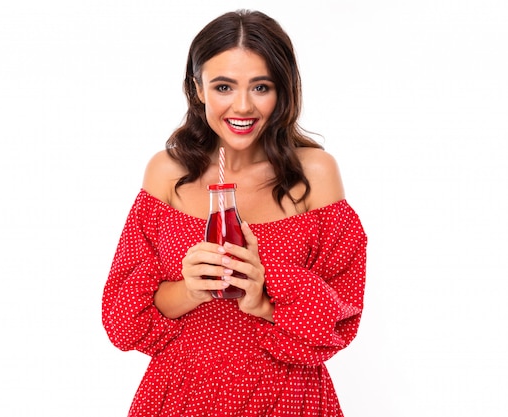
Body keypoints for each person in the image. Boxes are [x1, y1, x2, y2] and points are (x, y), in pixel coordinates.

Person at [102, 9, 367, 417]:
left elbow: (339, 318)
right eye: (223, 86)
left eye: (261, 86)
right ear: (198, 90)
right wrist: (192, 289)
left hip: (287, 395)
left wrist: (263, 294)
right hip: (181, 394)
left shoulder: (315, 174)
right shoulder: (167, 174)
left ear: (284, 91)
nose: (242, 106)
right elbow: (123, 321)